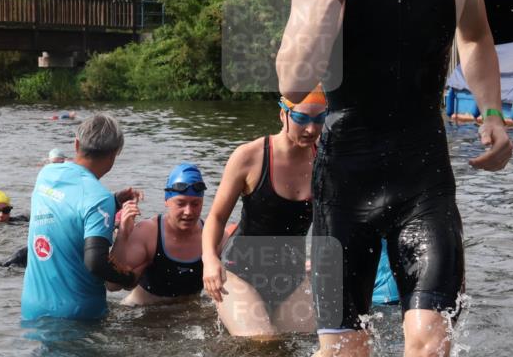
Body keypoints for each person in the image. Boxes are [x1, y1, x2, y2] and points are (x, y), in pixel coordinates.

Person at [275, 0, 513, 357]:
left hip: (423, 176)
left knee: (430, 350)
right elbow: (291, 79)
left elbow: (476, 37)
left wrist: (492, 114)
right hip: (345, 182)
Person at [202, 85, 327, 337]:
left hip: (291, 275)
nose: (311, 129)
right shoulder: (250, 157)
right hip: (240, 272)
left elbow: (337, 216)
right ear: (283, 114)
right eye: (302, 119)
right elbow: (216, 217)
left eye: (319, 119)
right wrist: (209, 261)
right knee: (262, 341)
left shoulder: (326, 160)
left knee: (310, 343)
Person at [20, 113, 142, 321]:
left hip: (32, 308)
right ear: (114, 154)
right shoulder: (97, 198)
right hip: (79, 316)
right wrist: (130, 278)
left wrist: (114, 201)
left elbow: (71, 205)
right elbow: (96, 262)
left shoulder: (46, 175)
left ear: (77, 144)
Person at [110, 163, 207, 305]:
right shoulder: (147, 233)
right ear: (166, 201)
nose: (189, 211)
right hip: (139, 314)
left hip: (186, 318)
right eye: (181, 203)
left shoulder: (212, 234)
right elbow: (112, 285)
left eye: (195, 204)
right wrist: (123, 235)